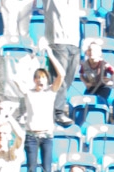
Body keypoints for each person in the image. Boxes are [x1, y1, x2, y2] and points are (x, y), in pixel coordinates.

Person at [20, 44, 64, 172]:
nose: (40, 80)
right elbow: (15, 78)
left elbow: (61, 74)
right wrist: (30, 57)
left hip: (47, 136)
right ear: (34, 80)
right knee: (31, 170)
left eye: (43, 77)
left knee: (47, 170)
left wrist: (50, 55)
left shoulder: (50, 92)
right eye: (38, 77)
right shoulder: (29, 92)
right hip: (31, 136)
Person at [43, 0, 81, 128]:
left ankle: (54, 108)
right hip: (57, 39)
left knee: (69, 79)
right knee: (60, 77)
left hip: (74, 41)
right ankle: (57, 112)